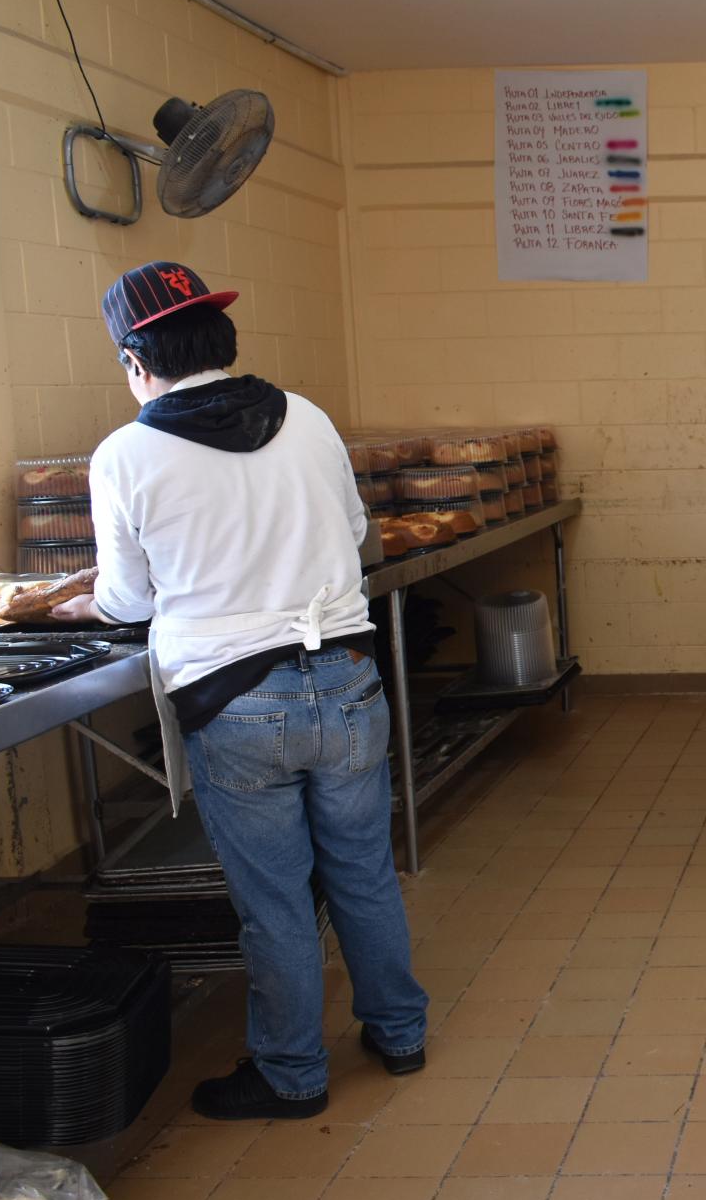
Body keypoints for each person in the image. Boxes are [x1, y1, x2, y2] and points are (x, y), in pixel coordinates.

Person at [53, 260, 428, 1120]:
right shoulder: (310, 418)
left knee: (276, 900)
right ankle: (400, 1033)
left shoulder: (126, 453)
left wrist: (85, 602)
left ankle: (293, 1073)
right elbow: (358, 532)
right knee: (364, 873)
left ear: (135, 360)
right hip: (347, 680)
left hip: (236, 703)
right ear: (221, 339)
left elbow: (130, 600)